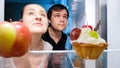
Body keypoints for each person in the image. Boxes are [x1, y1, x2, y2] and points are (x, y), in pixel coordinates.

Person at [4, 4, 53, 68]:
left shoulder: (48, 48)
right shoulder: (6, 45)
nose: (38, 17)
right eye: (31, 13)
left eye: (43, 14)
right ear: (21, 21)